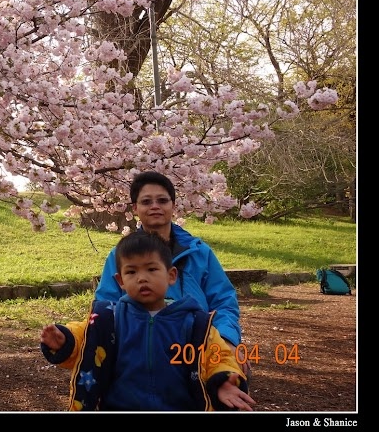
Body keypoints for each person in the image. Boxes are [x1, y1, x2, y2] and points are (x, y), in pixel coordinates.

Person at [40, 231, 255, 411]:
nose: (142, 278)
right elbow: (84, 338)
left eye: (152, 269)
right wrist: (65, 340)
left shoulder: (195, 323)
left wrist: (224, 382)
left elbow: (218, 358)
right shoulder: (109, 318)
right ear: (120, 281)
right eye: (132, 271)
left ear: (171, 275)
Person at [95, 171, 243, 350]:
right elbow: (105, 307)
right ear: (135, 208)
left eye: (162, 201)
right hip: (136, 350)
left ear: (173, 205)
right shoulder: (120, 255)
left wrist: (226, 341)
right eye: (146, 201)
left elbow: (224, 303)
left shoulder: (198, 253)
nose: (155, 206)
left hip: (197, 347)